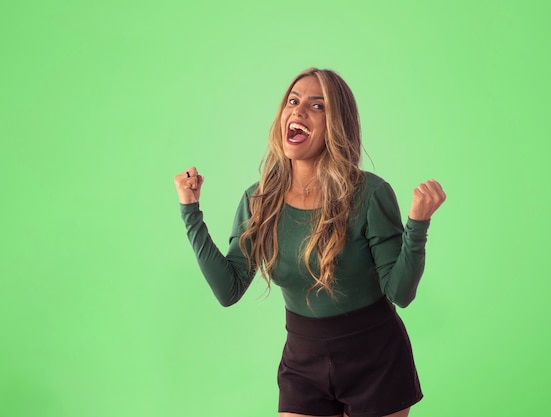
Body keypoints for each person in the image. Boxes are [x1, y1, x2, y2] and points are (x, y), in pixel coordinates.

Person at [174, 68, 446, 417]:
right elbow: (229, 289)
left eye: (317, 106)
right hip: (304, 363)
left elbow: (400, 293)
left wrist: (418, 224)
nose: (299, 111)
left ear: (337, 125)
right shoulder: (258, 200)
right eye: (293, 101)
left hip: (375, 359)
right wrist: (189, 211)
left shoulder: (371, 194)